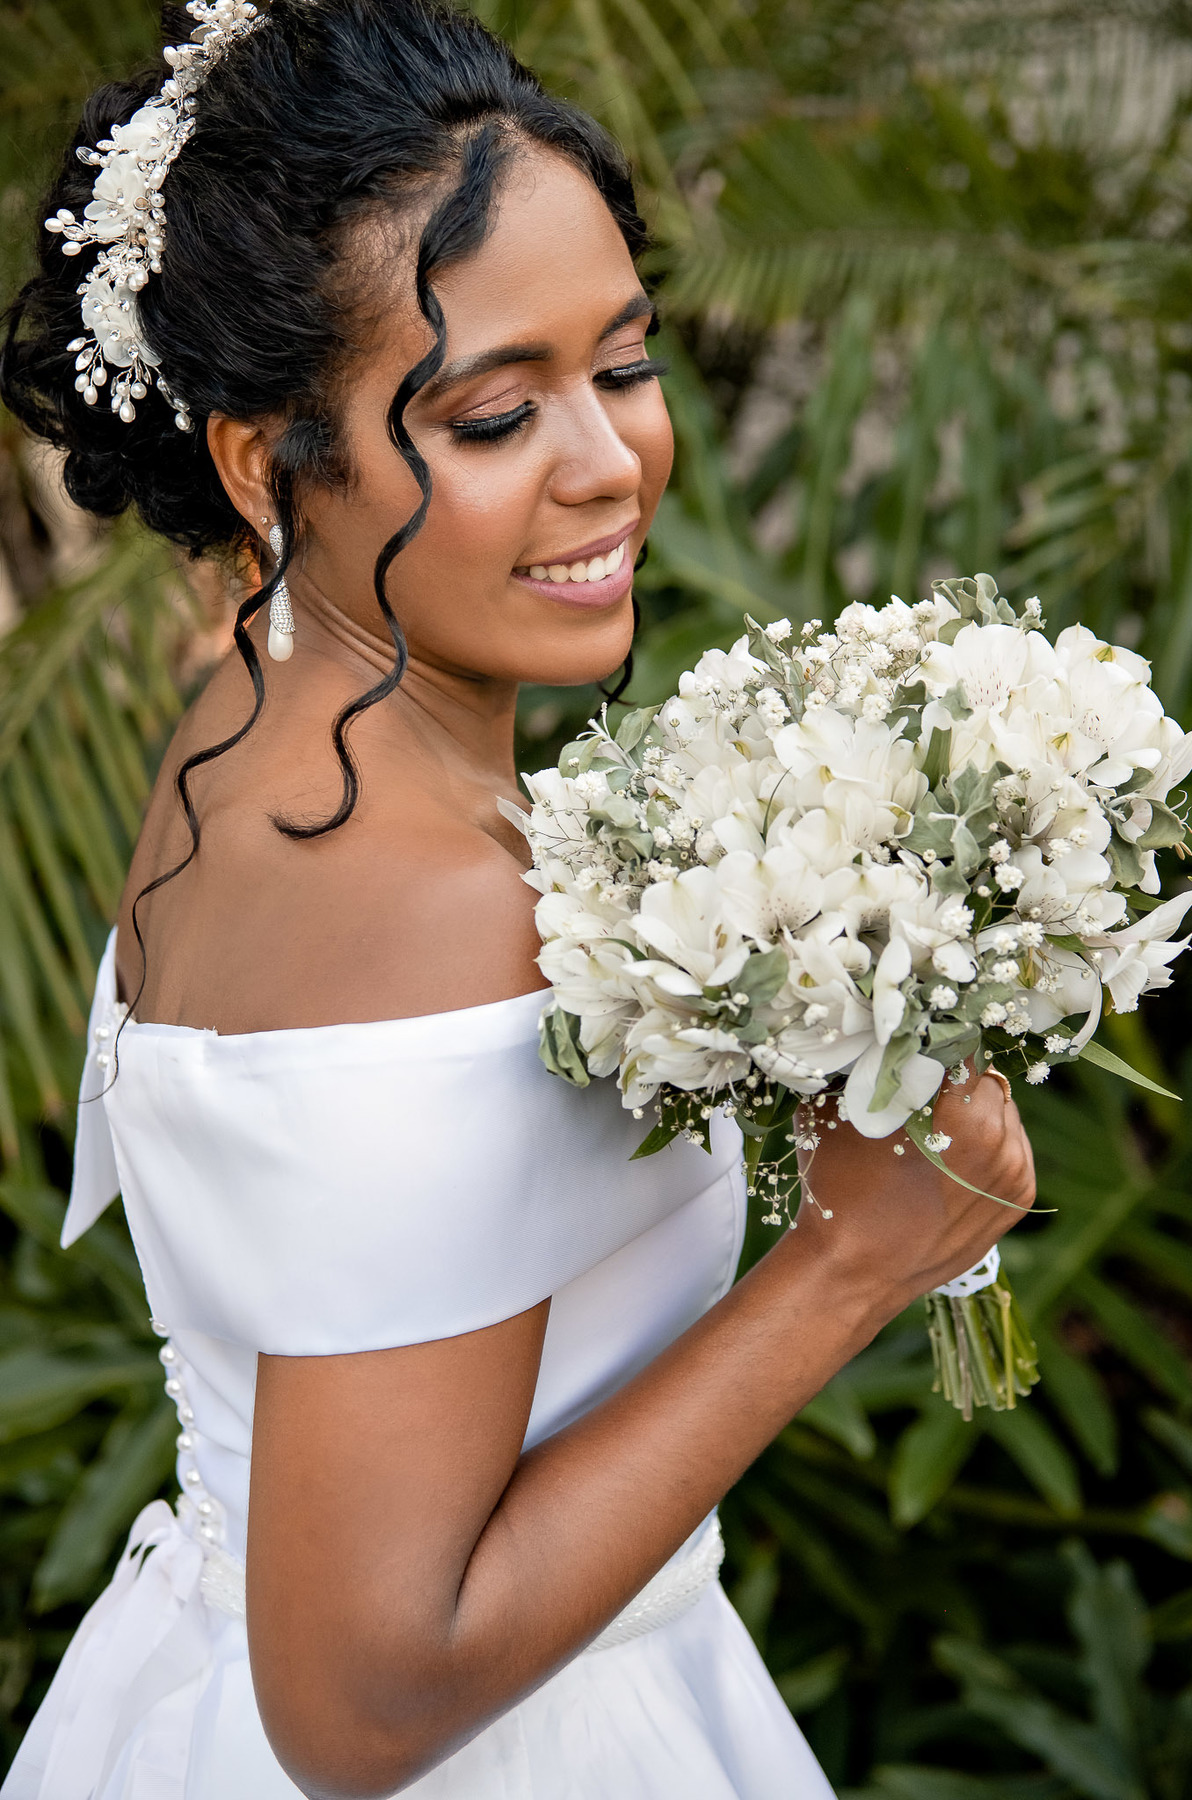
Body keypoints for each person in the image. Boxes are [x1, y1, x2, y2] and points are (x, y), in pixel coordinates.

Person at [0, 2, 1036, 1795]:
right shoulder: (414, 900)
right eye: (494, 412)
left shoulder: (255, 741)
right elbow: (367, 1703)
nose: (609, 462)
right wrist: (855, 1263)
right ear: (263, 463)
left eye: (620, 366)